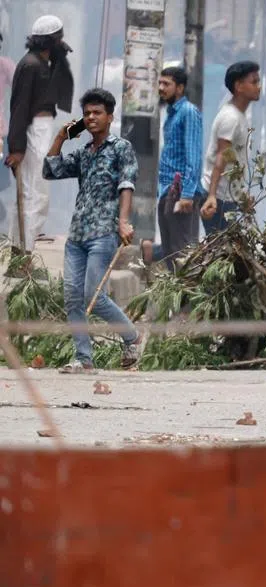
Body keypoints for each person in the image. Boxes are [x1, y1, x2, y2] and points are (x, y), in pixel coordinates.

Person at [42, 88, 140, 373]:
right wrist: (61, 137)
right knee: (72, 296)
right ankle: (83, 359)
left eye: (97, 113)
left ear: (110, 116)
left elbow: (127, 185)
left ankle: (132, 336)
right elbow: (51, 170)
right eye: (87, 114)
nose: (91, 118)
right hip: (77, 235)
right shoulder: (84, 153)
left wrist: (122, 222)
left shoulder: (120, 148)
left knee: (93, 297)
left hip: (103, 233)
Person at [6, 15, 74, 252]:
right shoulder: (32, 65)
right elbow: (19, 106)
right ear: (52, 40)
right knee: (37, 193)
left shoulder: (41, 62)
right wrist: (16, 147)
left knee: (28, 192)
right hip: (35, 130)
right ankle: (24, 251)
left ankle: (19, 248)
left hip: (40, 129)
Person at [141, 66, 203, 267]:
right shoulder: (171, 112)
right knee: (170, 250)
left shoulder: (188, 112)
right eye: (160, 83)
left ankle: (185, 296)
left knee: (182, 251)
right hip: (167, 189)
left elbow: (193, 156)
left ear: (180, 88)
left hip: (180, 192)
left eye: (166, 84)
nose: (161, 88)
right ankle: (174, 294)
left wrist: (187, 194)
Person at [201, 60, 261, 236]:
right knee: (221, 254)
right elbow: (221, 157)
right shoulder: (231, 118)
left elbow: (236, 161)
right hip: (219, 198)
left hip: (228, 197)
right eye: (254, 82)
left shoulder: (240, 115)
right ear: (239, 86)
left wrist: (241, 196)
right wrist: (212, 196)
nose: (258, 87)